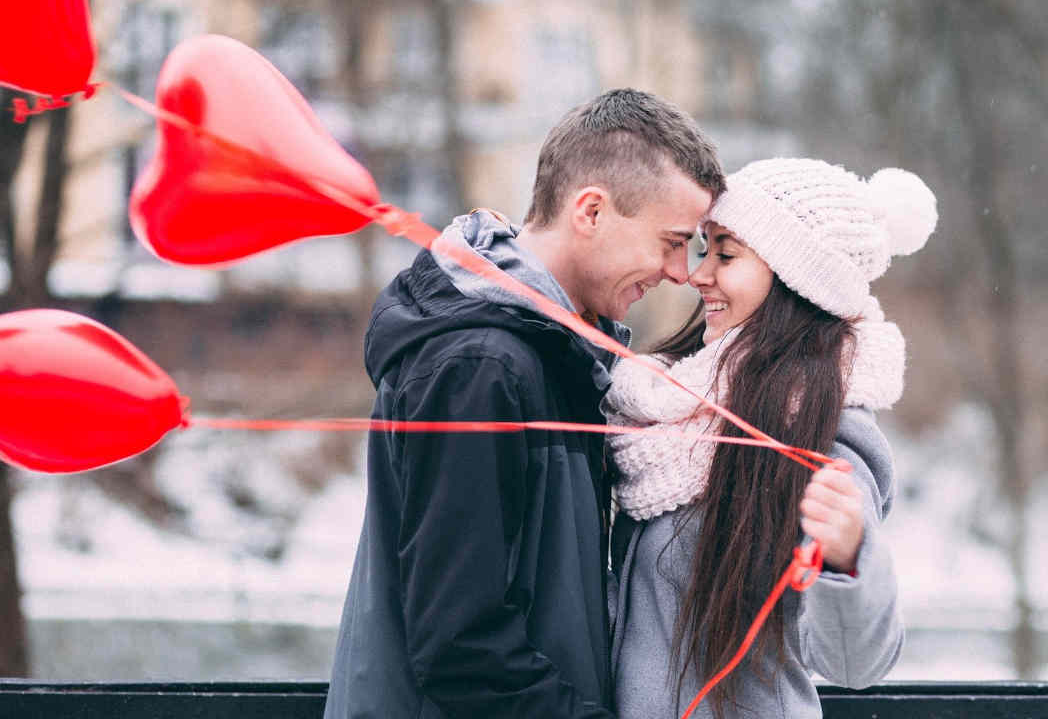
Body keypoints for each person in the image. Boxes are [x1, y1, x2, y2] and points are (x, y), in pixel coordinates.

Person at [323, 89, 725, 719]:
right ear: (590, 211)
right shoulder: (480, 368)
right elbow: (460, 646)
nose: (681, 272)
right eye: (672, 241)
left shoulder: (553, 354)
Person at [604, 157, 938, 719]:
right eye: (703, 248)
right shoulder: (661, 411)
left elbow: (856, 665)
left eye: (726, 254)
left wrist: (847, 558)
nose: (699, 273)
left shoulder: (823, 433)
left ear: (795, 279)